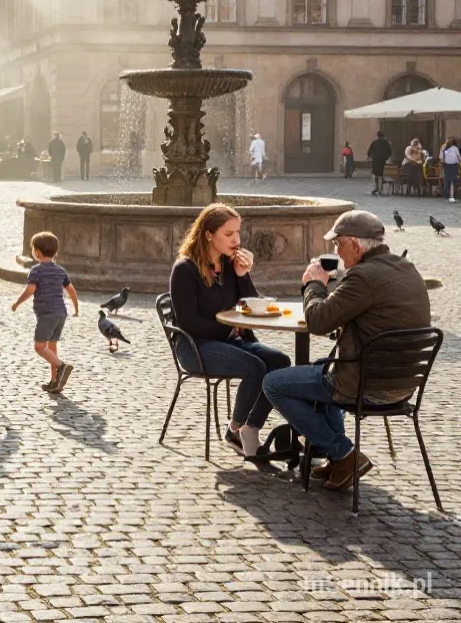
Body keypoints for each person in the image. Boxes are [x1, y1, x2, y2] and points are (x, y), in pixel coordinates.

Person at [263, 210, 430, 491]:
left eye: (339, 244)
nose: (337, 252)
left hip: (367, 386)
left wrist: (313, 284)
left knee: (273, 384)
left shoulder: (363, 278)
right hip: (403, 384)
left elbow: (317, 321)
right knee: (322, 364)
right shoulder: (405, 268)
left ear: (355, 244)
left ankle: (343, 453)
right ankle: (338, 459)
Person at [169, 203, 291, 458]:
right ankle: (235, 429)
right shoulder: (185, 269)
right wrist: (228, 330)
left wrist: (243, 274)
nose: (236, 240)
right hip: (195, 346)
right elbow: (188, 322)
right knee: (254, 367)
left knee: (280, 362)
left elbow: (250, 306)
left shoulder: (228, 266)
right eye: (229, 234)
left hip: (229, 341)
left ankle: (250, 427)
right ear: (208, 235)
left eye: (238, 233)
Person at [10, 231, 79, 393]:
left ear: (37, 252)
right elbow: (71, 290)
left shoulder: (36, 270)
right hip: (61, 314)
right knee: (51, 346)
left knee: (40, 346)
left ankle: (61, 367)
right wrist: (76, 308)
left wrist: (17, 303)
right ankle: (55, 381)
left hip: (47, 315)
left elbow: (30, 289)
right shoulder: (61, 271)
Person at [365, 130, 393, 195]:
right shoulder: (386, 142)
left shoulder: (374, 142)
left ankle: (377, 187)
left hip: (375, 160)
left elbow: (369, 151)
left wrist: (369, 156)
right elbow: (389, 151)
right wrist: (387, 157)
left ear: (377, 135)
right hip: (383, 160)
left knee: (375, 174)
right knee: (381, 174)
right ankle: (381, 188)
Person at [441, 137, 459, 202]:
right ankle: (447, 193)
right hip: (447, 165)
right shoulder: (444, 147)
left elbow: (458, 156)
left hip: (454, 165)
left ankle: (451, 195)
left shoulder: (455, 148)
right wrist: (443, 151)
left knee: (453, 180)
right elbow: (441, 157)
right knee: (447, 180)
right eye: (448, 140)